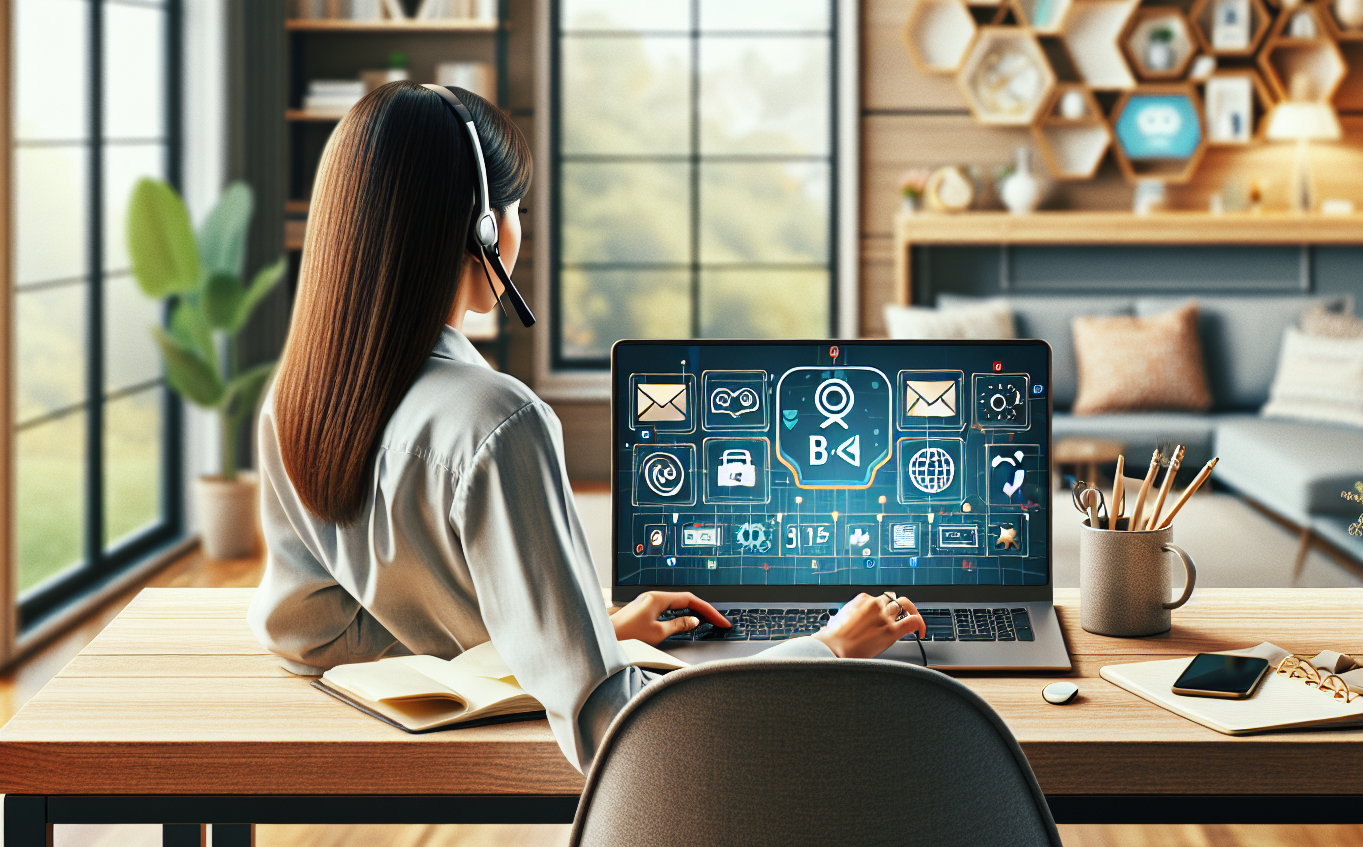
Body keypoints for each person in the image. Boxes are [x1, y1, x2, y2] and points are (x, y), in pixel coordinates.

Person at [249, 82, 923, 772]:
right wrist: (827, 649)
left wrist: (573, 636)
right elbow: (618, 732)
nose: (516, 228)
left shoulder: (295, 397)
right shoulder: (499, 423)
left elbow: (306, 633)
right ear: (481, 229)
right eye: (515, 208)